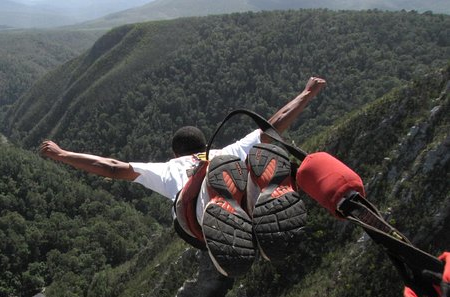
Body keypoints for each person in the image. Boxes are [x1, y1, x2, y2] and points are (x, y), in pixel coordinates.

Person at [40, 77, 326, 277]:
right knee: (246, 164)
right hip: (232, 176)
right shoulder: (226, 151)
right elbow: (273, 125)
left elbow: (113, 167)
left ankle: (218, 203)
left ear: (176, 152)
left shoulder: (169, 169)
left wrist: (62, 154)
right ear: (204, 146)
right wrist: (307, 93)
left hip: (201, 218)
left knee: (189, 207)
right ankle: (259, 192)